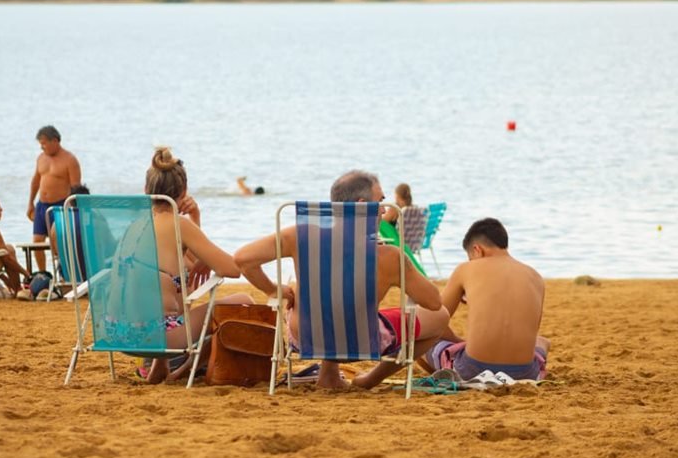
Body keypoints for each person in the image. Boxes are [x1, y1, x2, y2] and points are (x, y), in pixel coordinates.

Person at [234, 170, 448, 390]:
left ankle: (329, 375)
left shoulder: (300, 236)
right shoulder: (388, 257)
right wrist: (406, 271)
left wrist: (272, 289)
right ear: (363, 205)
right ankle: (369, 380)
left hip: (305, 339)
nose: (384, 209)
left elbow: (243, 259)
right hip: (361, 342)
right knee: (440, 316)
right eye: (380, 202)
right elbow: (433, 302)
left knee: (325, 298)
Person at [142, 147, 255, 383]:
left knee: (168, 289)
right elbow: (232, 269)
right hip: (163, 337)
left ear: (146, 190)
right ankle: (183, 370)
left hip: (123, 334)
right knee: (244, 299)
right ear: (183, 191)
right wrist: (194, 228)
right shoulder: (178, 225)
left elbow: (189, 270)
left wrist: (196, 223)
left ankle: (159, 369)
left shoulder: (134, 226)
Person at [424, 217, 550, 382]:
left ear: (477, 250)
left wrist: (457, 341)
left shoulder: (466, 269)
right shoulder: (535, 276)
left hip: (472, 369)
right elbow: (532, 331)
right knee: (542, 341)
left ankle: (444, 375)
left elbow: (434, 321)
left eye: (471, 257)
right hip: (525, 372)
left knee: (420, 337)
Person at [26, 125, 81, 272]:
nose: (42, 147)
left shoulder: (70, 160)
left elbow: (76, 187)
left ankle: (63, 271)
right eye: (40, 144)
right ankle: (43, 273)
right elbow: (36, 181)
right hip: (42, 205)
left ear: (55, 141)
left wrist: (72, 209)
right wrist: (30, 203)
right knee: (37, 241)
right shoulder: (41, 159)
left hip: (60, 205)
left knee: (59, 241)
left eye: (44, 143)